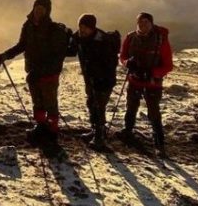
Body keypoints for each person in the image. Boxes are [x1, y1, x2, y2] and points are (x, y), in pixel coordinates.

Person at [0, 0, 72, 148]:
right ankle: (42, 126)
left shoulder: (53, 30)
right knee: (38, 102)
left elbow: (57, 56)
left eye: (42, 9)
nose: (38, 11)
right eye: (37, 7)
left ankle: (52, 131)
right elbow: (22, 45)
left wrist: (40, 70)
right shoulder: (28, 25)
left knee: (50, 104)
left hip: (48, 74)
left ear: (47, 11)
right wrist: (5, 55)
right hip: (33, 72)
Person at [117, 12, 173, 157]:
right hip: (134, 80)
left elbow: (168, 65)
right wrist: (127, 63)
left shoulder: (161, 40)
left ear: (152, 23)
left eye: (146, 22)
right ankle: (128, 132)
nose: (143, 25)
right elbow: (122, 56)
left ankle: (159, 144)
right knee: (131, 107)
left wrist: (153, 73)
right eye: (140, 23)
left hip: (153, 83)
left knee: (153, 112)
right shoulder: (130, 38)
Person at [70, 14, 121, 151]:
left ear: (92, 28)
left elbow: (111, 62)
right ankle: (95, 131)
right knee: (92, 104)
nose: (81, 30)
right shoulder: (79, 37)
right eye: (80, 26)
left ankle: (100, 137)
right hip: (90, 79)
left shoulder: (103, 40)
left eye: (85, 27)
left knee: (99, 107)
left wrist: (99, 75)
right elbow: (70, 51)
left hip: (104, 79)